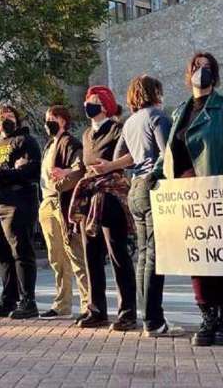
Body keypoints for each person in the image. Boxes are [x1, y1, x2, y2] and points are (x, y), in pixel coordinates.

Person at [151, 52, 223, 347]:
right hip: (187, 194)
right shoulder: (180, 110)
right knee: (198, 258)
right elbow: (170, 151)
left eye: (207, 68)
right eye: (196, 67)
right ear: (189, 73)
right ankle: (208, 315)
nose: (201, 72)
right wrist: (156, 178)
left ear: (215, 74)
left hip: (219, 189)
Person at [92, 76, 181, 337]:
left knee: (143, 255)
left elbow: (124, 158)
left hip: (134, 190)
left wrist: (107, 167)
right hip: (154, 188)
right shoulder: (158, 116)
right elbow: (167, 154)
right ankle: (154, 320)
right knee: (155, 256)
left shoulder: (130, 122)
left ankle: (148, 318)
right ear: (154, 93)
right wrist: (157, 173)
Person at [69, 87, 138, 331]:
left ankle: (127, 312)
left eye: (96, 101)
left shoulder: (119, 129)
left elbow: (132, 157)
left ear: (106, 105)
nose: (90, 104)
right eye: (88, 100)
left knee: (117, 252)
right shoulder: (87, 134)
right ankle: (96, 309)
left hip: (111, 194)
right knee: (91, 255)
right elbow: (84, 165)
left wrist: (110, 166)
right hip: (90, 195)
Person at [0, 106, 42, 320]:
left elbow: (33, 170)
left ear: (17, 119)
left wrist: (5, 174)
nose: (5, 120)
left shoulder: (26, 141)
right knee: (2, 252)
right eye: (1, 117)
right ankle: (8, 299)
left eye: (10, 116)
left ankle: (29, 301)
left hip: (18, 202)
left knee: (21, 251)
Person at [37, 105, 89, 320]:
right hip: (47, 202)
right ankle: (62, 303)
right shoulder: (49, 145)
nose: (49, 121)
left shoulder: (70, 143)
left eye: (54, 117)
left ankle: (88, 304)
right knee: (56, 257)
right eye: (47, 117)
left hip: (63, 202)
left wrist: (65, 177)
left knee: (75, 254)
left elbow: (80, 169)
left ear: (63, 121)